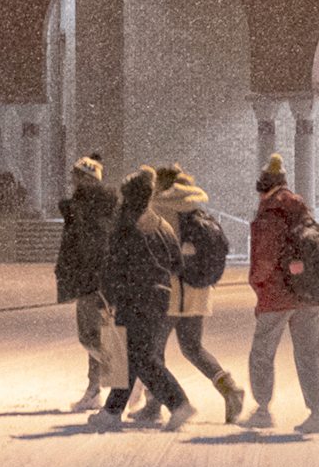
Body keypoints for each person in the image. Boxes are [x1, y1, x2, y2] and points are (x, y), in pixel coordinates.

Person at [95, 168, 191, 428]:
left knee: (140, 358)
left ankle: (179, 403)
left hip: (133, 297)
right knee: (133, 355)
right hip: (159, 297)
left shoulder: (125, 224)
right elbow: (177, 262)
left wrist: (107, 295)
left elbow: (113, 263)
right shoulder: (161, 224)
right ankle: (112, 411)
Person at [152, 163, 244, 420]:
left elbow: (162, 253)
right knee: (193, 347)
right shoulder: (194, 208)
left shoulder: (163, 210)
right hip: (197, 292)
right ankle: (230, 390)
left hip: (171, 293)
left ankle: (154, 406)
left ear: (162, 185)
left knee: (152, 351)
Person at [244, 152, 319, 432]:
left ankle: (263, 409)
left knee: (262, 352)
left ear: (264, 187)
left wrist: (258, 284)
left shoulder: (270, 210)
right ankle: (316, 414)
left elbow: (265, 258)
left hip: (279, 294)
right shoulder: (299, 206)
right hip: (307, 292)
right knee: (307, 354)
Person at [53, 153, 118, 409]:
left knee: (90, 337)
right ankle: (95, 389)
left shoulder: (89, 209)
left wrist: (77, 271)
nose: (72, 181)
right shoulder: (95, 206)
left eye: (76, 176)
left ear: (87, 178)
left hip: (92, 279)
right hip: (97, 278)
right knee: (99, 335)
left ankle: (124, 374)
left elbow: (86, 245)